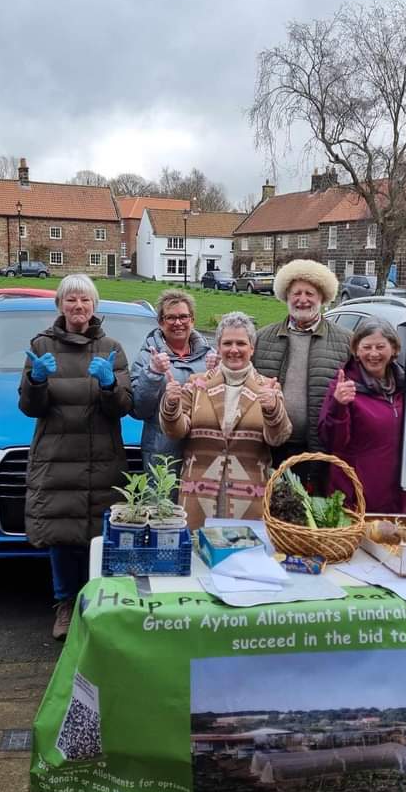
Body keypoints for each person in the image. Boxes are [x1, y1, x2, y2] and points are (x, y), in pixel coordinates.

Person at [19, 274, 133, 641]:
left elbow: (124, 407)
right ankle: (65, 604)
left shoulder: (112, 348)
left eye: (84, 300)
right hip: (57, 456)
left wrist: (109, 386)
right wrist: (36, 380)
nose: (78, 307)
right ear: (60, 306)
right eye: (71, 301)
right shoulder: (41, 345)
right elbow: (28, 407)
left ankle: (99, 602)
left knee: (100, 534)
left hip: (102, 456)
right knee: (62, 534)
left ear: (94, 306)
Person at [159, 311, 292, 524]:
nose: (234, 350)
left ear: (252, 348)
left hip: (249, 501)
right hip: (198, 499)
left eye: (241, 343)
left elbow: (278, 438)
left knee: (243, 555)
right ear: (218, 347)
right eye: (227, 343)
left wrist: (272, 409)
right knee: (198, 555)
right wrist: (171, 405)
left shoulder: (268, 387)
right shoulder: (196, 384)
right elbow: (175, 431)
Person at [252, 259, 351, 483]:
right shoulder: (262, 338)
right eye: (296, 293)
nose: (303, 300)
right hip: (269, 447)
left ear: (322, 297)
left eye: (310, 293)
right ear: (286, 296)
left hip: (318, 450)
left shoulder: (345, 341)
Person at [318, 318, 406, 514]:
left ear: (394, 349)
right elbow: (333, 442)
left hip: (395, 494)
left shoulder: (405, 385)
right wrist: (339, 406)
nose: (373, 354)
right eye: (366, 347)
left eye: (380, 346)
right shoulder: (343, 386)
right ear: (357, 351)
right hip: (355, 493)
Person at [130, 289, 216, 473]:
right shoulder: (148, 358)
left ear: (192, 320)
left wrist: (218, 373)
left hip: (201, 451)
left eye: (184, 317)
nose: (178, 323)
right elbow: (139, 409)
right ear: (161, 322)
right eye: (171, 318)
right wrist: (152, 373)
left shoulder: (211, 357)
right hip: (162, 454)